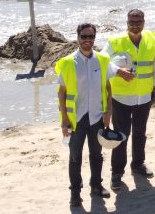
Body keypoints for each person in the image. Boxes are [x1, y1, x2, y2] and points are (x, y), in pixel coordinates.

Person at [56, 23, 114, 207]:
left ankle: (96, 185)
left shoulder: (103, 60)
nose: (87, 40)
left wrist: (108, 112)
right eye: (84, 36)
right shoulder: (66, 63)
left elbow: (108, 88)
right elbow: (62, 93)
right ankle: (75, 194)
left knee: (96, 155)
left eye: (90, 36)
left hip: (97, 117)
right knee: (75, 158)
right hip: (76, 120)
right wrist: (64, 120)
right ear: (78, 37)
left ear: (94, 38)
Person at [104, 9, 155, 189]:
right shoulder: (116, 41)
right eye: (132, 22)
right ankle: (117, 173)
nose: (135, 25)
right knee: (121, 136)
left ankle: (138, 164)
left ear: (144, 22)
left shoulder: (151, 39)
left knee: (140, 133)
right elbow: (101, 61)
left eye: (138, 22)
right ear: (126, 23)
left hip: (144, 97)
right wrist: (119, 71)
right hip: (121, 98)